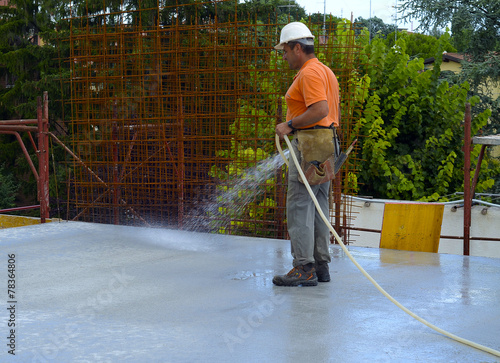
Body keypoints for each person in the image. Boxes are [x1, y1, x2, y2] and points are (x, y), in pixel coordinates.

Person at [273, 22, 340, 287]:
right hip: (326, 143)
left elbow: (320, 109)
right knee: (319, 205)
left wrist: (289, 125)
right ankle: (320, 266)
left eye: (285, 50)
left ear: (297, 47)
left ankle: (304, 267)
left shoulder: (309, 73)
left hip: (311, 143)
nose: (284, 56)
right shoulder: (325, 71)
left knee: (301, 204)